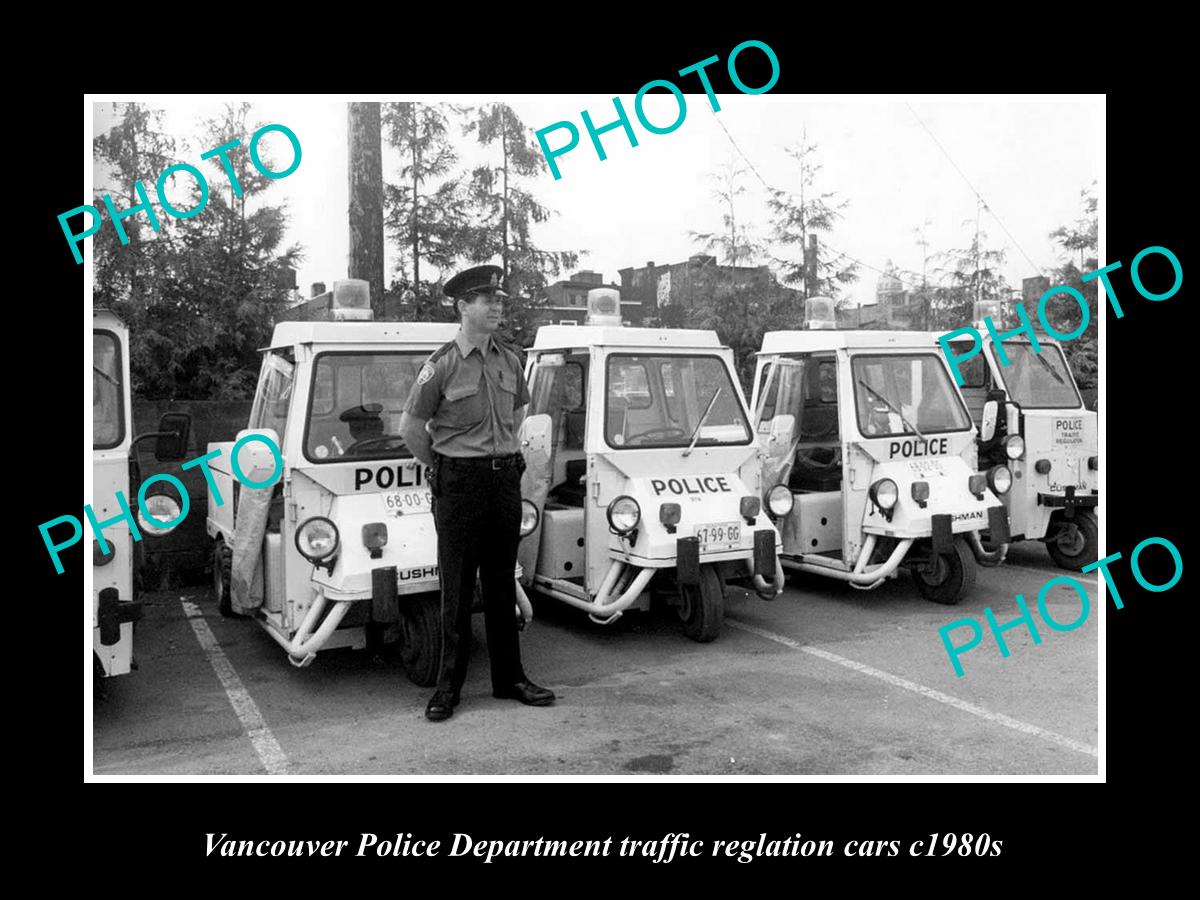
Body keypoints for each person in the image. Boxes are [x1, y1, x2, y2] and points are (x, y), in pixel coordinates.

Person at [399, 265, 556, 722]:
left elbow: (521, 408)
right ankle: (449, 688)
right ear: (463, 306)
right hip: (460, 486)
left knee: (502, 580)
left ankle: (509, 679)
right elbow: (410, 428)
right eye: (487, 299)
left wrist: (500, 448)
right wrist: (446, 467)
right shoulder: (443, 363)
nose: (497, 306)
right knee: (457, 586)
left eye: (500, 299)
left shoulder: (509, 358)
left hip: (504, 480)